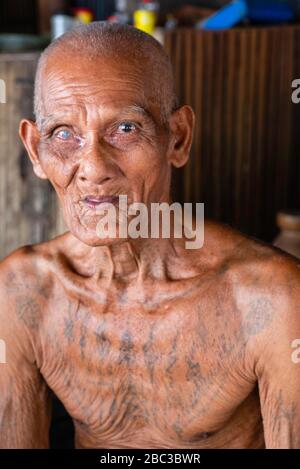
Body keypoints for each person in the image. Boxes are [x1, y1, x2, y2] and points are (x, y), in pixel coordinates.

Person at [0, 22, 299, 449]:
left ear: (177, 138)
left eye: (124, 129)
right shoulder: (22, 292)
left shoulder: (272, 299)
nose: (93, 167)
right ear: (35, 150)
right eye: (63, 134)